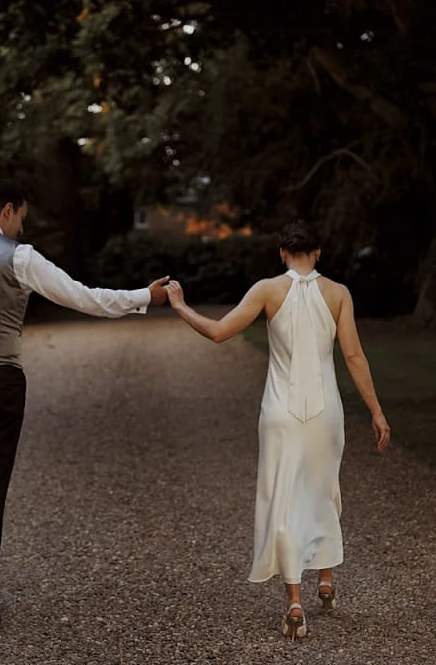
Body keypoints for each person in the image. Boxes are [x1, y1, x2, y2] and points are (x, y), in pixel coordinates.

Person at [0, 178, 170, 631]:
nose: (22, 227)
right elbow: (83, 297)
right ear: (7, 210)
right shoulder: (20, 257)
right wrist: (146, 296)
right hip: (1, 379)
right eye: (21, 217)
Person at [165, 220, 390, 642]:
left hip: (280, 413)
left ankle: (294, 603)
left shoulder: (267, 290)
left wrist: (179, 305)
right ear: (318, 252)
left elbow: (218, 332)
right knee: (324, 490)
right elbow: (354, 355)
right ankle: (325, 577)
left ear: (282, 252)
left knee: (284, 499)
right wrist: (376, 411)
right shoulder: (338, 293)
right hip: (326, 413)